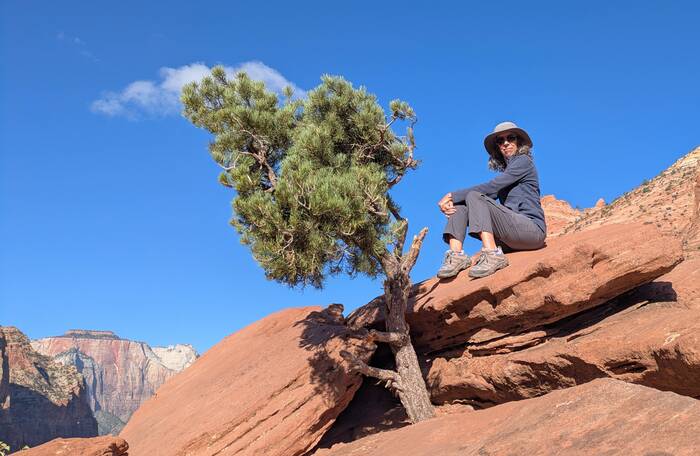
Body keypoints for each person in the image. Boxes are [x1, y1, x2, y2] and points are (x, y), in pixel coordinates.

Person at [436, 121, 547, 279]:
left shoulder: (524, 162)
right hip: (510, 236)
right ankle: (456, 255)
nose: (505, 143)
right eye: (500, 141)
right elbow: (489, 194)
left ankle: (492, 254)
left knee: (473, 196)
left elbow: (491, 188)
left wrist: (451, 196)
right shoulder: (508, 171)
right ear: (497, 147)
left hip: (532, 232)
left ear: (519, 142)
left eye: (510, 138)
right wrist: (455, 202)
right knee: (461, 205)